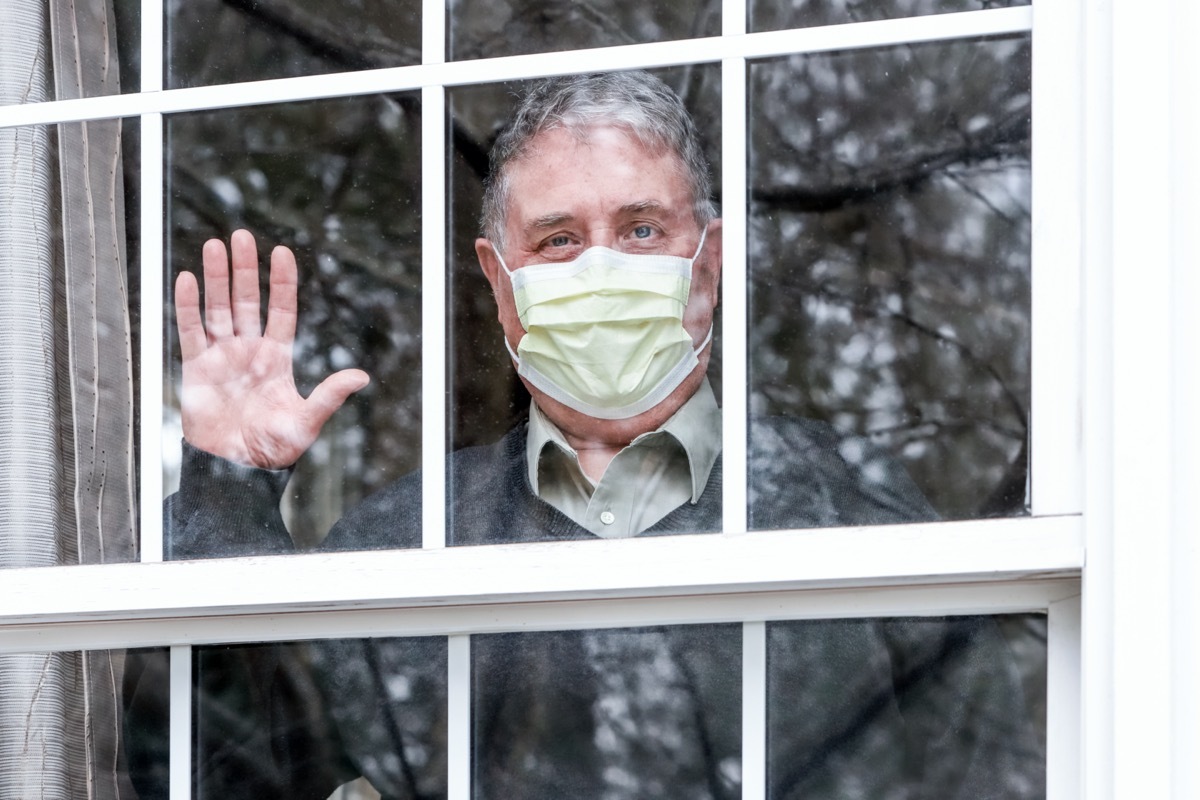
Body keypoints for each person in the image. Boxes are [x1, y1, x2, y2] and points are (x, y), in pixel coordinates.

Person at [144, 72, 1044, 800]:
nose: (604, 267)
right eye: (560, 239)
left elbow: (991, 763)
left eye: (642, 228)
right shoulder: (401, 538)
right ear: (501, 283)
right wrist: (227, 489)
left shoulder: (857, 512)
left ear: (710, 261)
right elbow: (218, 765)